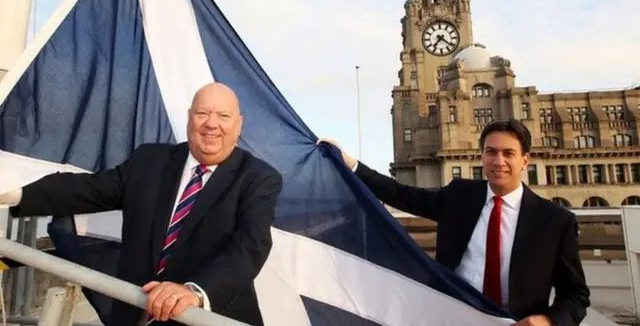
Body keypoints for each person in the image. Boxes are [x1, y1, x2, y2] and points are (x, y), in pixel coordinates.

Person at [0, 82, 283, 326]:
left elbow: (249, 246)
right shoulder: (149, 161)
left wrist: (195, 292)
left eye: (223, 115)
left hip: (207, 318)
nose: (211, 124)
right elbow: (88, 189)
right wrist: (12, 191)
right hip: (135, 316)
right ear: (189, 118)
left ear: (238, 124)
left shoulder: (259, 178)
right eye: (202, 113)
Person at [319, 119, 590, 326]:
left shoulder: (555, 220)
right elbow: (402, 195)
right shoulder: (460, 196)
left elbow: (575, 295)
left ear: (525, 160)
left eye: (508, 153)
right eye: (491, 152)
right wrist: (350, 164)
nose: (499, 162)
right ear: (481, 156)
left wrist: (550, 321)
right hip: (452, 317)